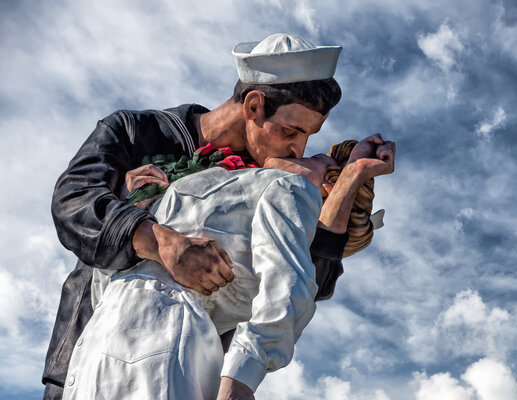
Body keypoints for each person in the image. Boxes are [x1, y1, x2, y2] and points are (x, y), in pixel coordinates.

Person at [42, 33, 370, 399]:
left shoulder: (270, 183)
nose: (299, 148)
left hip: (179, 370)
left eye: (308, 137)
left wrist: (349, 182)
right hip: (82, 355)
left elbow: (308, 281)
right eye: (291, 130)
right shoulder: (135, 132)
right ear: (255, 105)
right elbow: (73, 202)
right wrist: (163, 242)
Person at [61, 138, 395, 400]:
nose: (299, 151)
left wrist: (241, 379)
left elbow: (289, 286)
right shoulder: (242, 187)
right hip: (102, 345)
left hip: (149, 343)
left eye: (316, 158)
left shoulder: (291, 188)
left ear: (326, 187)